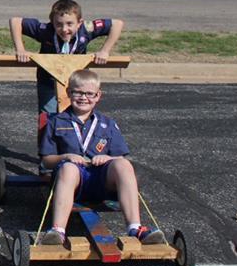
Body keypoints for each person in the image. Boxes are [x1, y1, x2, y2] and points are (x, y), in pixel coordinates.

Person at [38, 69, 165, 245]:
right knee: (68, 168)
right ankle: (57, 231)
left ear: (98, 96)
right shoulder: (56, 122)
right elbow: (46, 161)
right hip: (72, 181)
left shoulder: (108, 124)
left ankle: (135, 228)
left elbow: (119, 156)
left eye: (89, 93)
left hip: (101, 180)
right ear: (68, 93)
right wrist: (66, 156)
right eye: (78, 92)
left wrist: (108, 158)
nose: (83, 97)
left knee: (124, 165)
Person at [10, 0, 124, 114]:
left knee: (78, 117)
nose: (64, 29)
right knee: (48, 119)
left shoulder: (87, 29)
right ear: (52, 22)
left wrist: (105, 51)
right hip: (49, 82)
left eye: (70, 24)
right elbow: (15, 21)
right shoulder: (45, 30)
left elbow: (117, 24)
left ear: (79, 23)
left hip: (78, 85)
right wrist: (20, 50)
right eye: (58, 24)